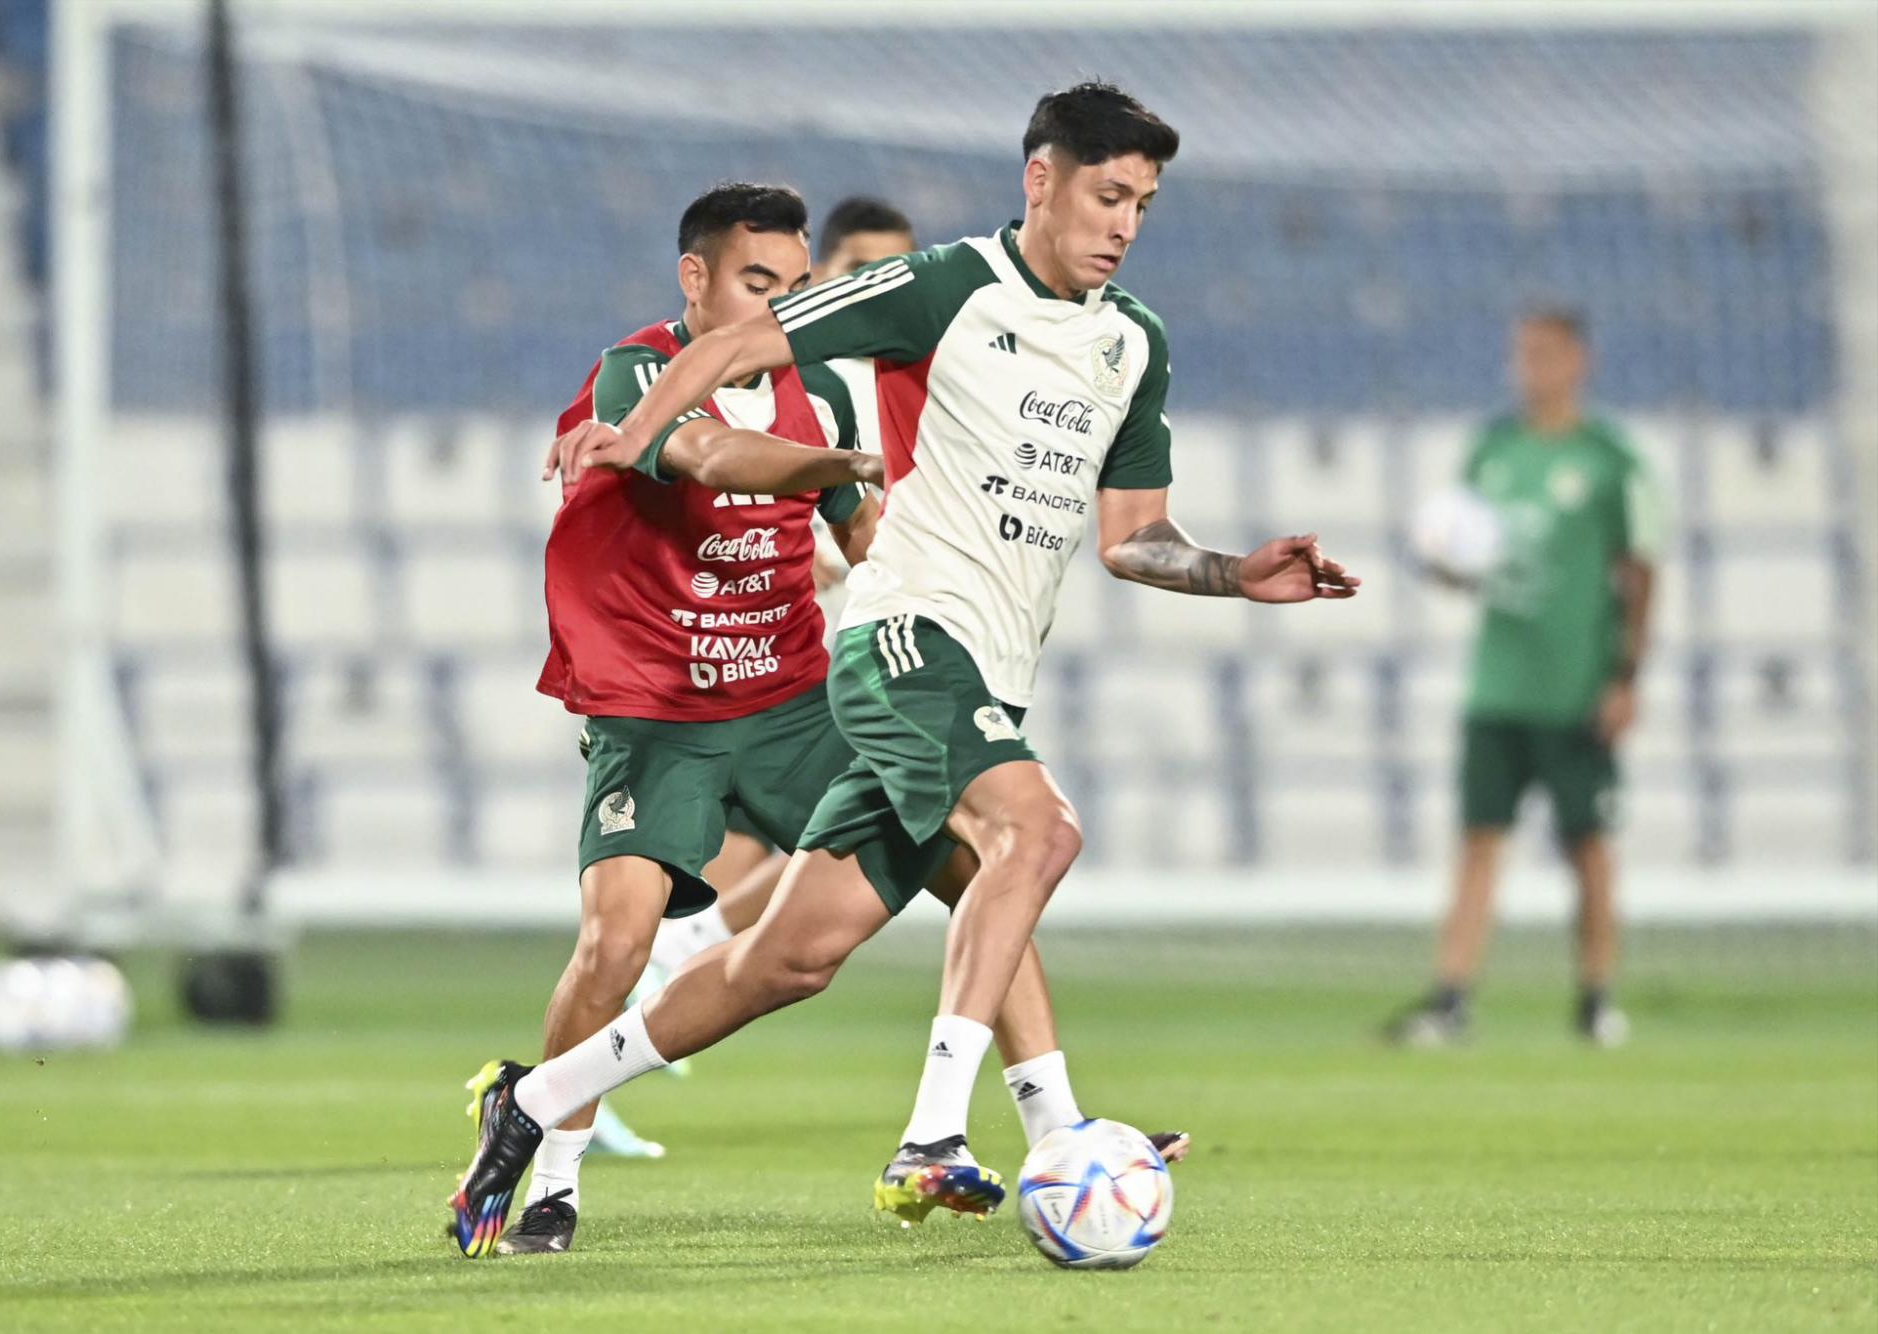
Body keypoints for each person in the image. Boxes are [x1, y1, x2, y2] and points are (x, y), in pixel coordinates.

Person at [456, 82, 1357, 1247]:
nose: (1124, 223)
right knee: (1034, 831)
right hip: (901, 639)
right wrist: (630, 437)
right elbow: (735, 346)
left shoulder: (1133, 342)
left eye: (1141, 203)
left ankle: (534, 1098)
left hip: (969, 669)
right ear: (1040, 180)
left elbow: (1133, 536)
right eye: (1106, 195)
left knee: (788, 957)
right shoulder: (947, 285)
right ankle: (938, 1135)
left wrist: (1234, 572)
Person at [638, 196, 921, 988]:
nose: (874, 289)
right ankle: (673, 967)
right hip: (738, 667)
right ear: (823, 276)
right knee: (903, 819)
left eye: (893, 273)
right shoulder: (798, 375)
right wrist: (814, 548)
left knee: (888, 824)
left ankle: (681, 962)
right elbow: (733, 481)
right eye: (859, 270)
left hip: (820, 661)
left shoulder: (902, 376)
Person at [1387, 309, 1663, 1048]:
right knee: (1479, 840)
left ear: (1579, 360)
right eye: (1522, 353)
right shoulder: (1493, 449)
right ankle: (1451, 999)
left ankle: (1597, 999)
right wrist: (1445, 564)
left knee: (1587, 846)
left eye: (1544, 352)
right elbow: (1468, 558)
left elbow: (1640, 572)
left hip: (1575, 689)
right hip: (1497, 686)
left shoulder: (1610, 459)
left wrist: (1626, 678)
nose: (1528, 366)